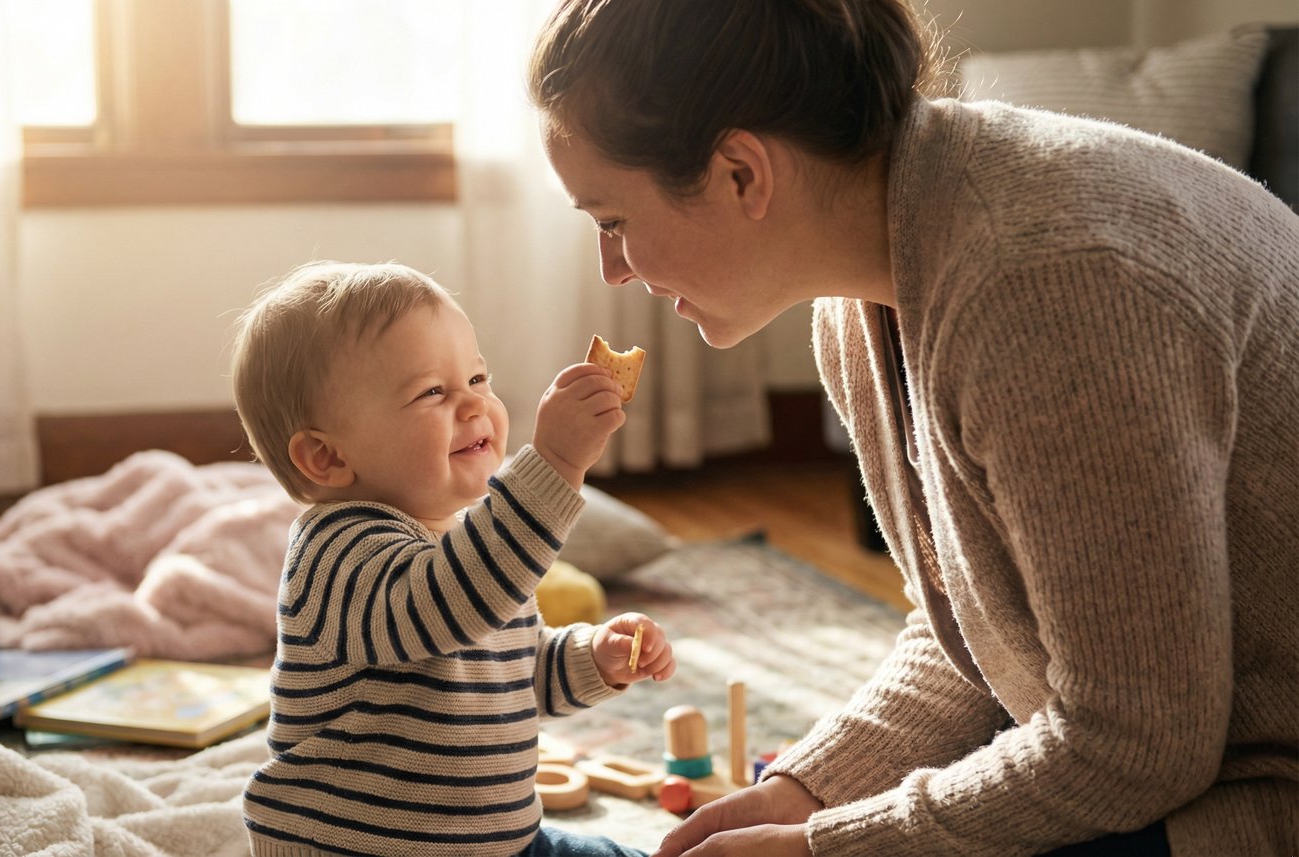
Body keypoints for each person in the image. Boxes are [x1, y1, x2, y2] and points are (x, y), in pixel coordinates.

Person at [527, 1, 1299, 855]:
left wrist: (834, 848)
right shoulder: (861, 291)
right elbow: (976, 626)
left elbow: (1134, 744)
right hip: (1191, 753)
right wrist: (804, 791)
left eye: (613, 221)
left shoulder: (1045, 283)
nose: (613, 266)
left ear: (741, 173)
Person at [231, 261, 675, 857]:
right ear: (325, 457)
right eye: (433, 392)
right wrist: (555, 466)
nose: (473, 406)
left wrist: (593, 658)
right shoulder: (335, 552)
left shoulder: (472, 550)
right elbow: (443, 608)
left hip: (502, 843)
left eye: (478, 378)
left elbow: (512, 672)